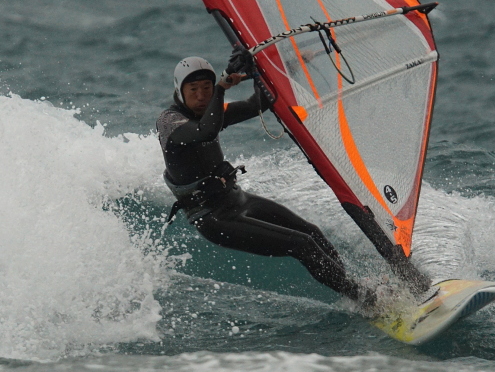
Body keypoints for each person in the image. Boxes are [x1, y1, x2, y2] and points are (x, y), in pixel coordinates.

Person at [156, 53, 376, 309]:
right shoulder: (170, 122)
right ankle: (365, 299)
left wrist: (272, 69)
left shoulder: (210, 113)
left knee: (311, 232)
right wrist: (221, 88)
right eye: (193, 89)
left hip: (237, 200)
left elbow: (258, 103)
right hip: (213, 217)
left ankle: (353, 288)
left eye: (207, 88)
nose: (202, 95)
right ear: (179, 90)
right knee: (301, 244)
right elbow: (205, 131)